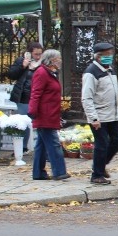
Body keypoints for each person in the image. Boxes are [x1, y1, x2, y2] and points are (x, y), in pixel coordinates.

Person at [82, 42, 118, 185]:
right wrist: (93, 117)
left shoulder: (110, 70)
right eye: (107, 55)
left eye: (111, 54)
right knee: (102, 143)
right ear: (98, 56)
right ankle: (97, 175)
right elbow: (87, 97)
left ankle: (101, 164)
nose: (110, 57)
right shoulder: (91, 72)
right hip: (99, 115)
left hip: (113, 114)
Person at [28, 49, 68, 180]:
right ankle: (59, 171)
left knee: (41, 145)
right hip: (45, 115)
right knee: (54, 144)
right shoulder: (42, 73)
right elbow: (36, 93)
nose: (60, 61)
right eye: (58, 59)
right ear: (51, 60)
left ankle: (38, 173)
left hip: (49, 113)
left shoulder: (50, 73)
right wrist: (33, 111)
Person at [7, 42, 43, 153]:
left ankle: (40, 148)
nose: (38, 57)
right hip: (23, 96)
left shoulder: (43, 63)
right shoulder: (21, 60)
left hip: (37, 96)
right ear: (30, 53)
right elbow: (11, 74)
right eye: (36, 54)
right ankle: (22, 147)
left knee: (39, 122)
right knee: (24, 122)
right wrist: (22, 66)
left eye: (40, 54)